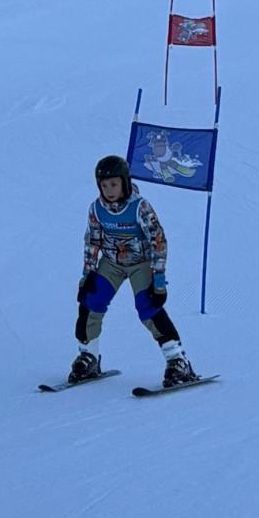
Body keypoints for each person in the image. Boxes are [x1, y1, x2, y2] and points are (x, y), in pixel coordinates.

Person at [69, 156, 198, 388]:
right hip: (112, 262)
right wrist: (87, 275)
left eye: (114, 184)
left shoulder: (139, 207)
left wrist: (158, 280)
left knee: (148, 305)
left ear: (125, 183)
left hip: (141, 262)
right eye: (104, 185)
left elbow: (158, 241)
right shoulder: (97, 209)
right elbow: (92, 242)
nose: (109, 191)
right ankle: (88, 356)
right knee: (91, 301)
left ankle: (177, 360)